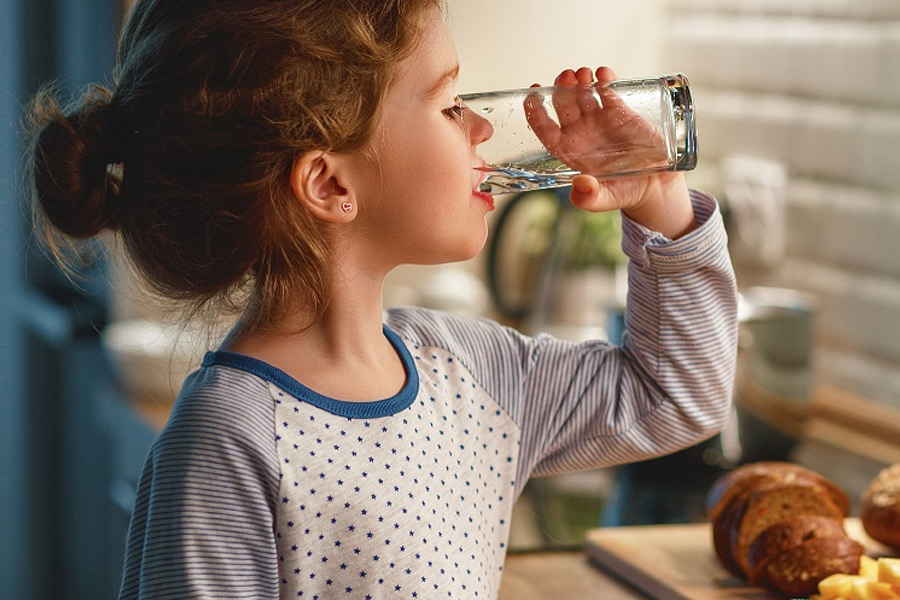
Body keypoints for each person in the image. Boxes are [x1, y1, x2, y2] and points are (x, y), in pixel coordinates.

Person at [24, 0, 738, 598]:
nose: (483, 128)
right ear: (332, 185)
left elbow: (674, 394)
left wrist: (658, 204)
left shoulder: (472, 370)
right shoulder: (226, 444)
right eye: (450, 104)